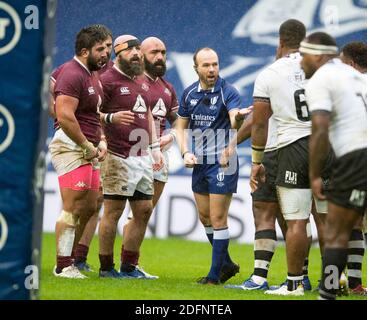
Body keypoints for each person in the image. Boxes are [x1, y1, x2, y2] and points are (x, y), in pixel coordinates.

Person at [250, 19, 331, 296]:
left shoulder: (270, 73)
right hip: (328, 145)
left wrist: (256, 161)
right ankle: (332, 282)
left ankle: (294, 284)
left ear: (280, 42)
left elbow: (259, 124)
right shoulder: (325, 68)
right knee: (327, 219)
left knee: (297, 221)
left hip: (293, 147)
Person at [301, 33, 367, 300]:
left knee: (336, 233)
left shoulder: (322, 79)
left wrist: (314, 174)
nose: (300, 62)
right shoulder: (358, 77)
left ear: (318, 56)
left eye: (303, 56)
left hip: (355, 157)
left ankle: (326, 294)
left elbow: (320, 128)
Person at [176, 47, 247, 285]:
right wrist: (185, 152)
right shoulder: (188, 94)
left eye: (215, 64)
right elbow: (180, 127)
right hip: (200, 162)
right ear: (195, 68)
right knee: (205, 218)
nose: (212, 69)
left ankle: (214, 276)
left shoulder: (228, 92)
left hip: (223, 162)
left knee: (218, 219)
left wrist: (238, 119)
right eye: (206, 65)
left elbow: (235, 116)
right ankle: (226, 263)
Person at [98, 34, 163, 279]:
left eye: (138, 50)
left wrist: (155, 147)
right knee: (113, 212)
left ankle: (129, 266)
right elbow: (92, 113)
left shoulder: (142, 81)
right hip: (117, 154)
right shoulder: (106, 80)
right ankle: (106, 268)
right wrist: (110, 119)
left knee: (144, 209)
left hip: (141, 155)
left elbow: (147, 114)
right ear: (118, 53)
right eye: (130, 51)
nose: (136, 54)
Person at [48, 25, 111, 278]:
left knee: (91, 204)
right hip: (72, 146)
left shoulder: (92, 74)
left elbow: (94, 115)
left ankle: (71, 260)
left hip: (89, 147)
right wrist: (86, 145)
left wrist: (102, 140)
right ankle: (63, 266)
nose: (106, 53)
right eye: (100, 49)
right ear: (85, 51)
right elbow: (64, 115)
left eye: (108, 47)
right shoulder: (72, 73)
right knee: (73, 206)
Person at [122, 36, 178, 237]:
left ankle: (130, 264)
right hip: (130, 152)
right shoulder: (129, 82)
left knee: (144, 213)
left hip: (158, 156)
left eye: (163, 52)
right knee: (107, 210)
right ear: (141, 56)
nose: (160, 57)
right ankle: (92, 260)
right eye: (154, 52)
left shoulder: (167, 88)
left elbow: (178, 120)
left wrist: (171, 136)